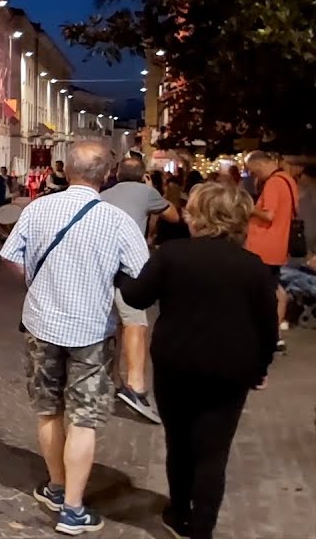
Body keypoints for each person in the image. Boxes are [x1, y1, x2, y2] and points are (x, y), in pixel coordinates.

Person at [0, 141, 149, 535]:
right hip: (92, 332)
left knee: (48, 409)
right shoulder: (117, 221)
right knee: (83, 419)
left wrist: (33, 282)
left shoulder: (39, 209)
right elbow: (143, 276)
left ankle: (56, 485)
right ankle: (73, 509)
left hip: (41, 324)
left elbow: (10, 254)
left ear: (67, 171)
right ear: (106, 175)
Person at [120, 182, 277, 539]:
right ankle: (202, 528)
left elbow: (137, 296)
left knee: (179, 443)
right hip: (231, 368)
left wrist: (120, 272)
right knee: (214, 452)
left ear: (199, 215)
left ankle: (178, 512)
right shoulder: (252, 266)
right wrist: (260, 368)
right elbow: (267, 327)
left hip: (177, 363)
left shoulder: (172, 255)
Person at [98, 157, 180, 424]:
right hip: (129, 267)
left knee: (111, 326)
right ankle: (136, 387)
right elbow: (173, 215)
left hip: (101, 266)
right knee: (136, 323)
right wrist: (151, 192)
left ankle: (112, 380)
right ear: (142, 175)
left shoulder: (104, 194)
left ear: (117, 174)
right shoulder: (147, 192)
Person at [242, 151, 299, 351]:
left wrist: (247, 206)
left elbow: (269, 215)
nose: (253, 175)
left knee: (263, 290)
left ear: (258, 164)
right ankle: (274, 334)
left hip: (264, 245)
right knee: (275, 289)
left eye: (252, 170)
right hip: (277, 244)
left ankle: (267, 334)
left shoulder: (274, 183)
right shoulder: (288, 180)